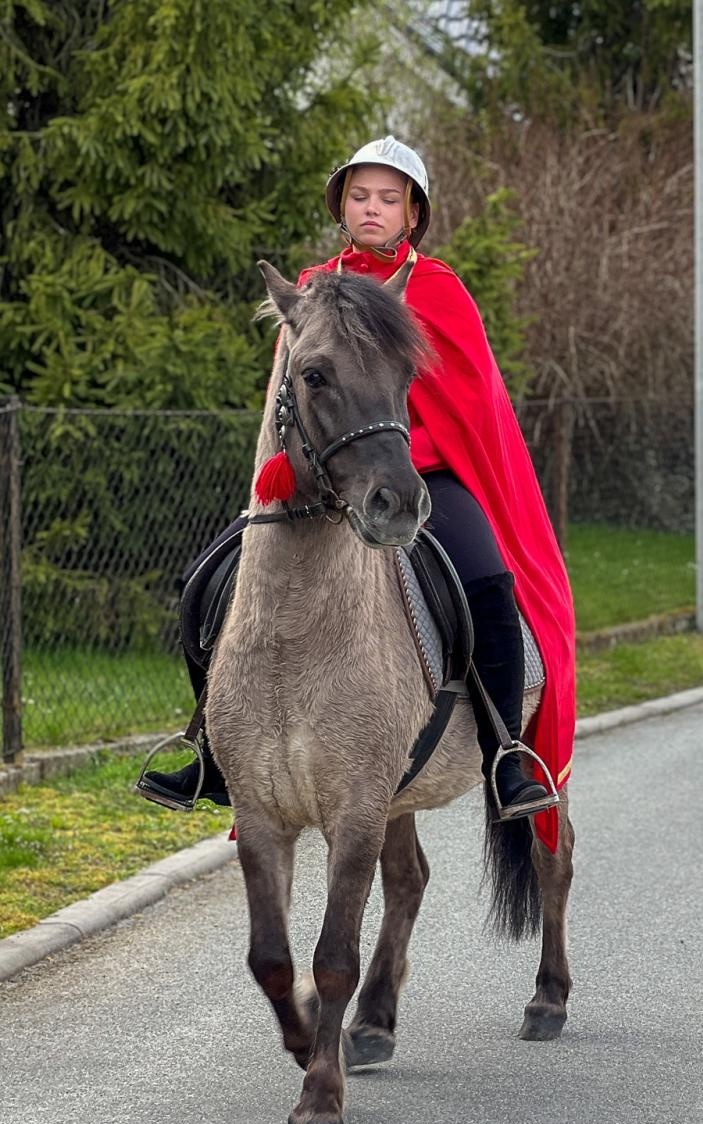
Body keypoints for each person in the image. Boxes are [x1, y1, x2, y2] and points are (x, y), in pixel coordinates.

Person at [137, 135, 575, 824]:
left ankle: (505, 754)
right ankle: (215, 754)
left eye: (389, 198)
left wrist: (389, 454)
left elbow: (471, 410)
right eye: (360, 195)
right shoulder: (311, 289)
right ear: (342, 203)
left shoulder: (439, 292)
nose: (373, 209)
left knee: (488, 581)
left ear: (413, 214)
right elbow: (289, 398)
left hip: (424, 473)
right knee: (207, 583)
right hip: (321, 479)